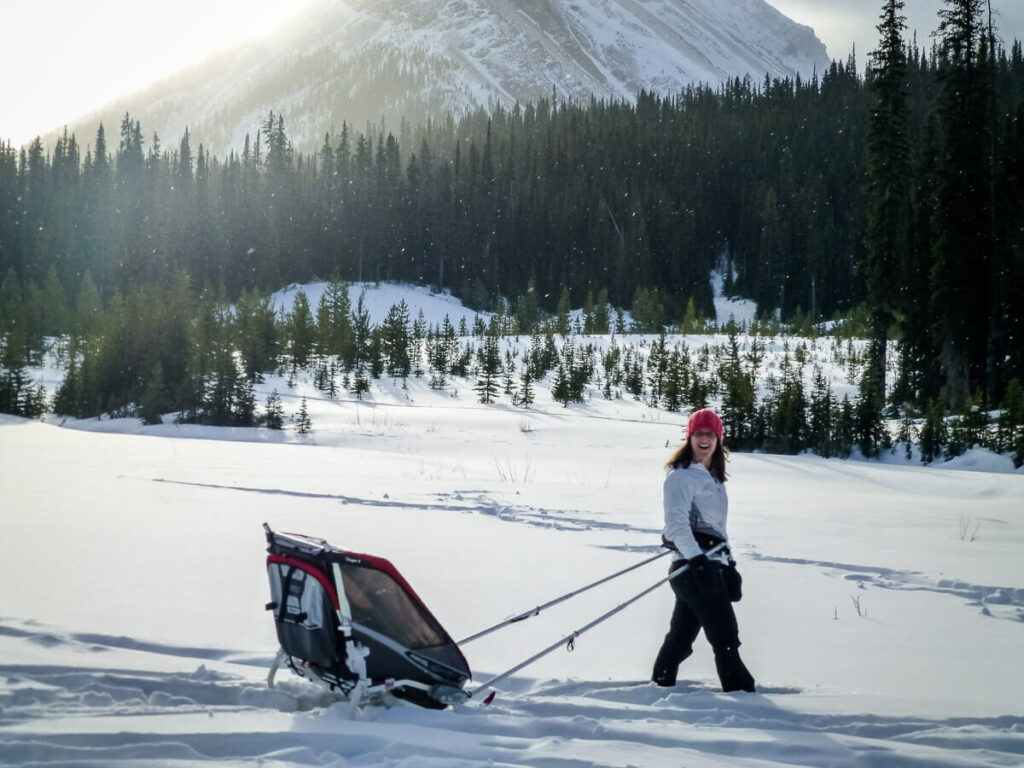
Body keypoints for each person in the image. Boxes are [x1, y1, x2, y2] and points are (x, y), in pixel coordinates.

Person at [651, 408, 756, 693]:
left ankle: (660, 685)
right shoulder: (681, 477)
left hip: (711, 565)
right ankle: (742, 694)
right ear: (690, 437)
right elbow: (676, 525)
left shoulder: (713, 478)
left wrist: (729, 564)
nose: (704, 439)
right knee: (725, 636)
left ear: (718, 438)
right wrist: (697, 560)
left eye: (710, 433)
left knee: (681, 637)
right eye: (698, 433)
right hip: (691, 568)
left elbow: (717, 528)